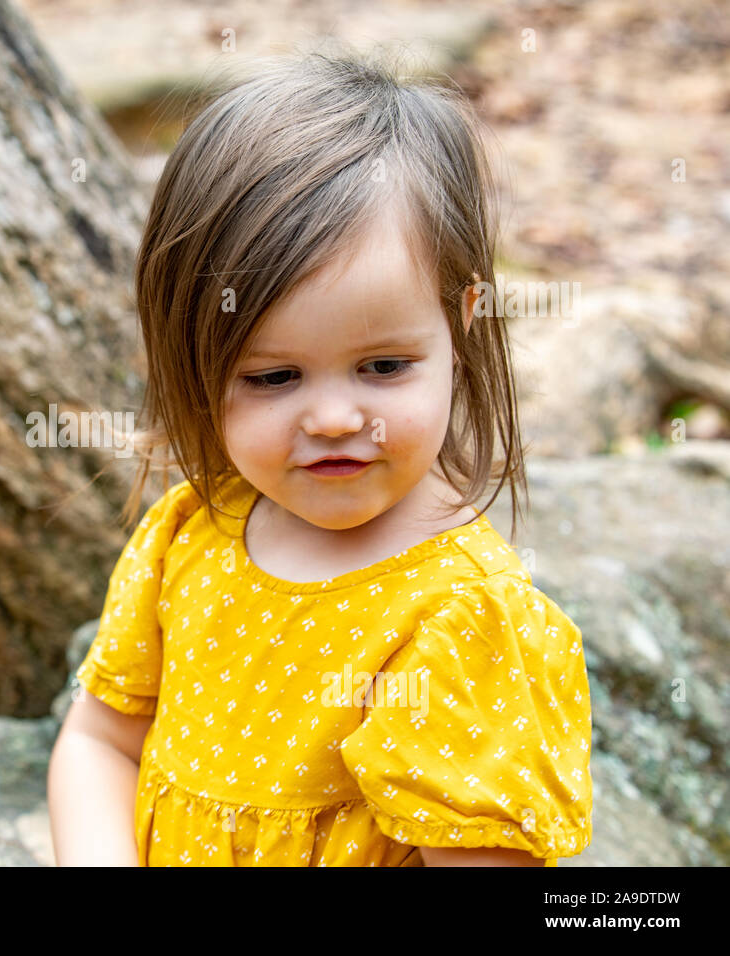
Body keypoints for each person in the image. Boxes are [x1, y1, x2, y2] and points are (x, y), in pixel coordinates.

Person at [47, 50, 593, 867]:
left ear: (466, 319)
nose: (336, 418)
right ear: (193, 359)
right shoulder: (193, 534)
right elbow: (101, 743)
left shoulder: (459, 621)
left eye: (383, 367)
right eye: (273, 376)